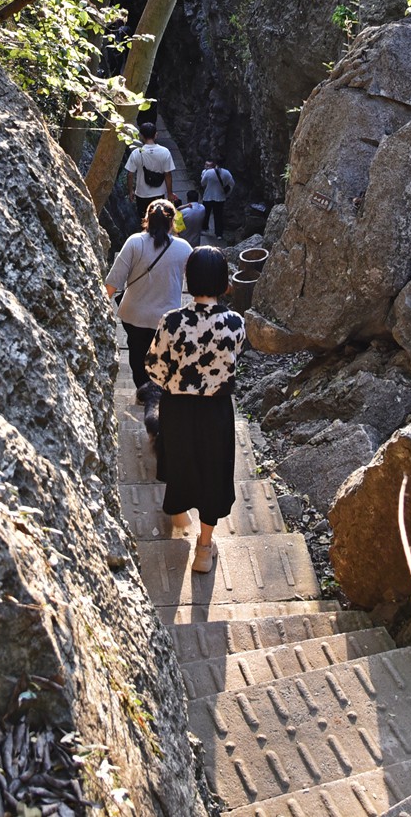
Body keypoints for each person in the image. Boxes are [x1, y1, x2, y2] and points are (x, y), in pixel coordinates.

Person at [147, 246, 246, 575]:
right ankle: (204, 550)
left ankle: (177, 512)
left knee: (179, 458)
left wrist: (175, 381)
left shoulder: (172, 321)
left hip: (177, 406)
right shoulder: (234, 323)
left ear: (189, 278)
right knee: (214, 472)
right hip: (216, 409)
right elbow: (232, 363)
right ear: (223, 280)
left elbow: (154, 367)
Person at [104, 199, 192, 434]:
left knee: (136, 355)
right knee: (165, 358)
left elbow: (113, 282)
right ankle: (162, 397)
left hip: (134, 315)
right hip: (167, 320)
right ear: (172, 221)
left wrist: (99, 309)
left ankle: (144, 395)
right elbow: (196, 283)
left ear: (147, 219)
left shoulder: (134, 243)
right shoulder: (184, 248)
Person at [124, 123, 176, 211]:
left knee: (144, 219)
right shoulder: (165, 152)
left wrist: (130, 191)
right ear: (155, 135)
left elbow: (130, 175)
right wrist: (170, 193)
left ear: (141, 136)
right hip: (159, 193)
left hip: (141, 193)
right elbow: (168, 174)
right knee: (158, 218)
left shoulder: (136, 153)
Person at [199, 158, 235, 240]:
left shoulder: (208, 172)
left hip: (208, 196)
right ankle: (219, 234)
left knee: (206, 214)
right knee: (218, 216)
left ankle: (205, 229)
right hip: (220, 197)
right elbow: (232, 183)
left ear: (215, 164)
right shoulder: (227, 173)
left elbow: (202, 183)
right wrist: (227, 193)